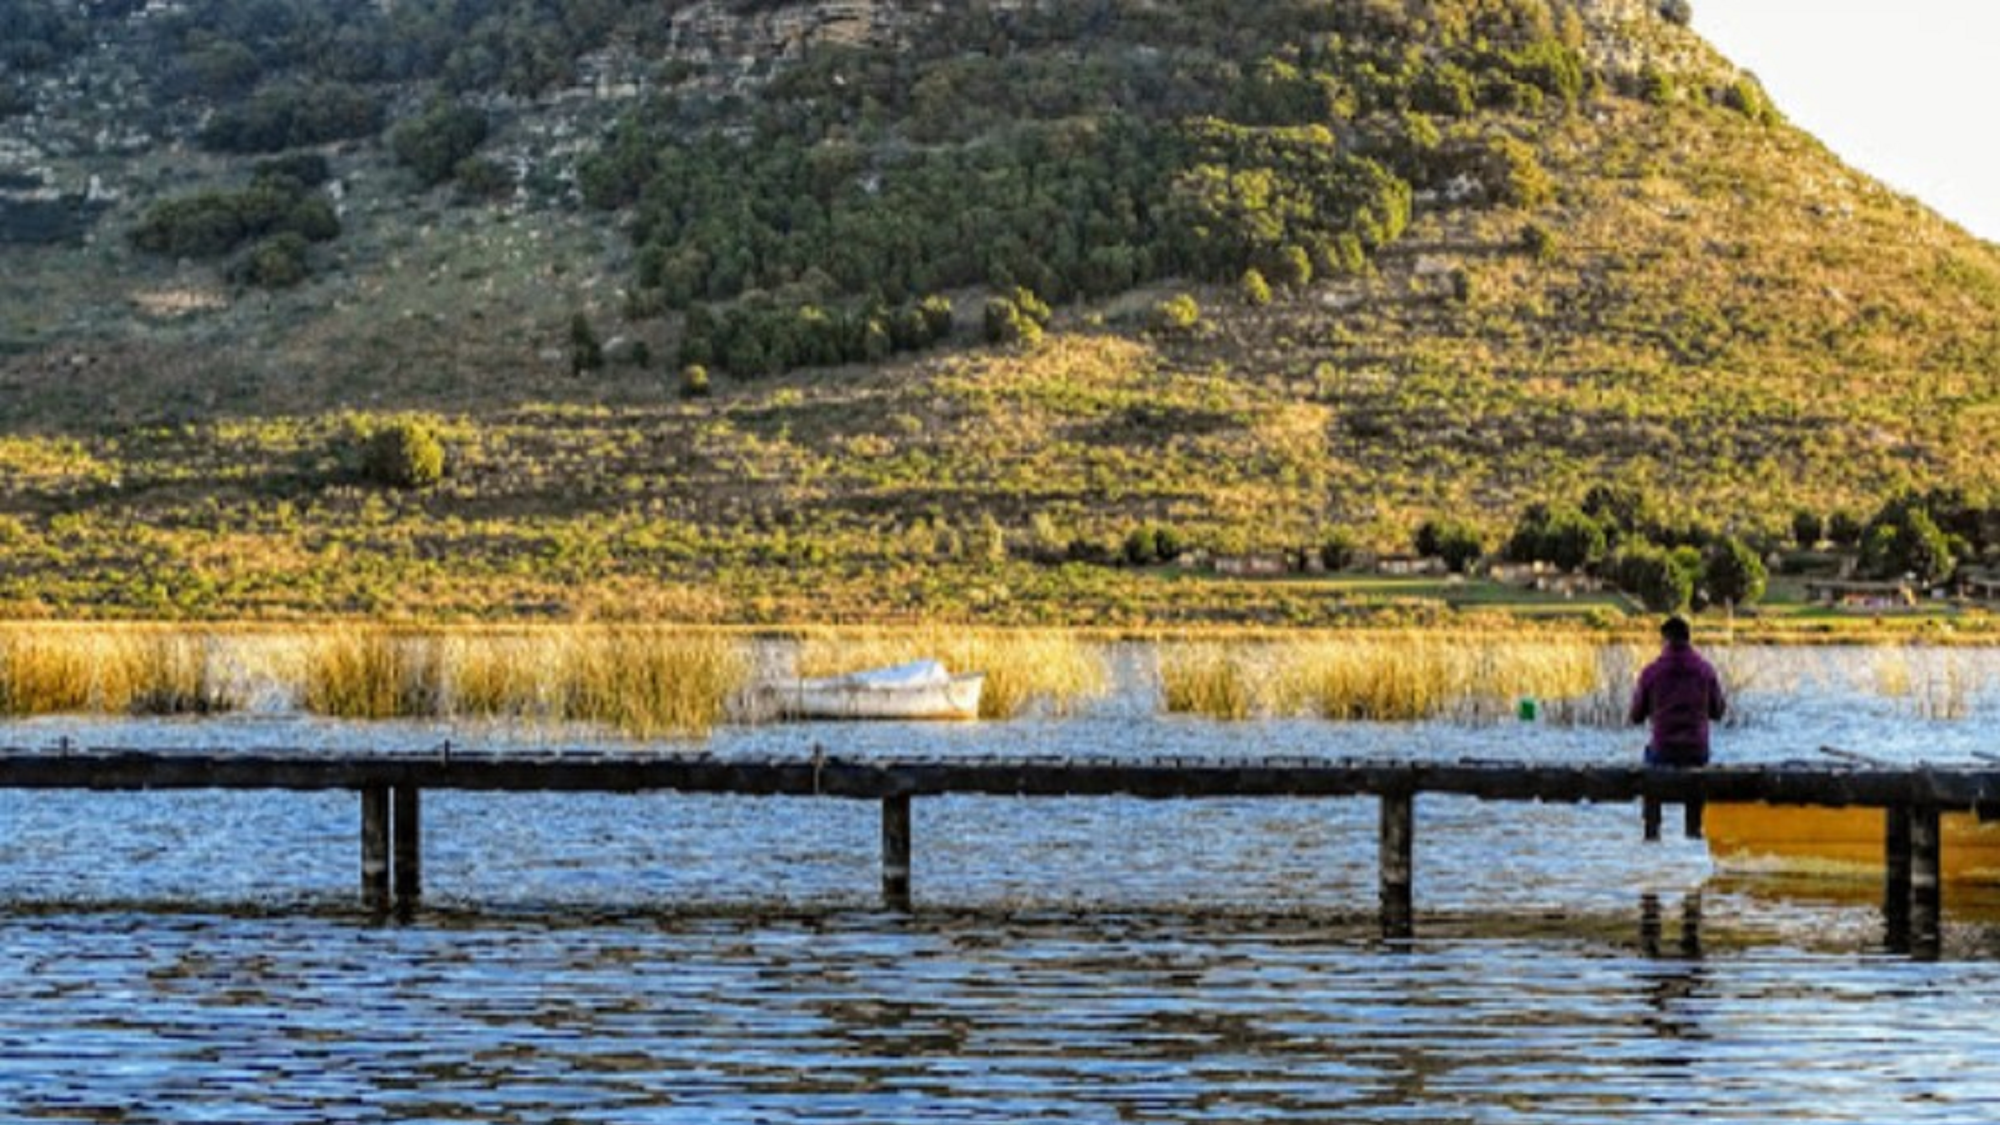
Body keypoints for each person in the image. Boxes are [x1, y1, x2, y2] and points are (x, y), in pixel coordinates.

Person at [1628, 615, 1726, 767]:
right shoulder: (1705, 671)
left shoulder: (1651, 673)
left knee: (1650, 756)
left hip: (1663, 751)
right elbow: (1718, 712)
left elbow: (1636, 716)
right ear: (1688, 639)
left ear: (1665, 640)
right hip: (1697, 752)